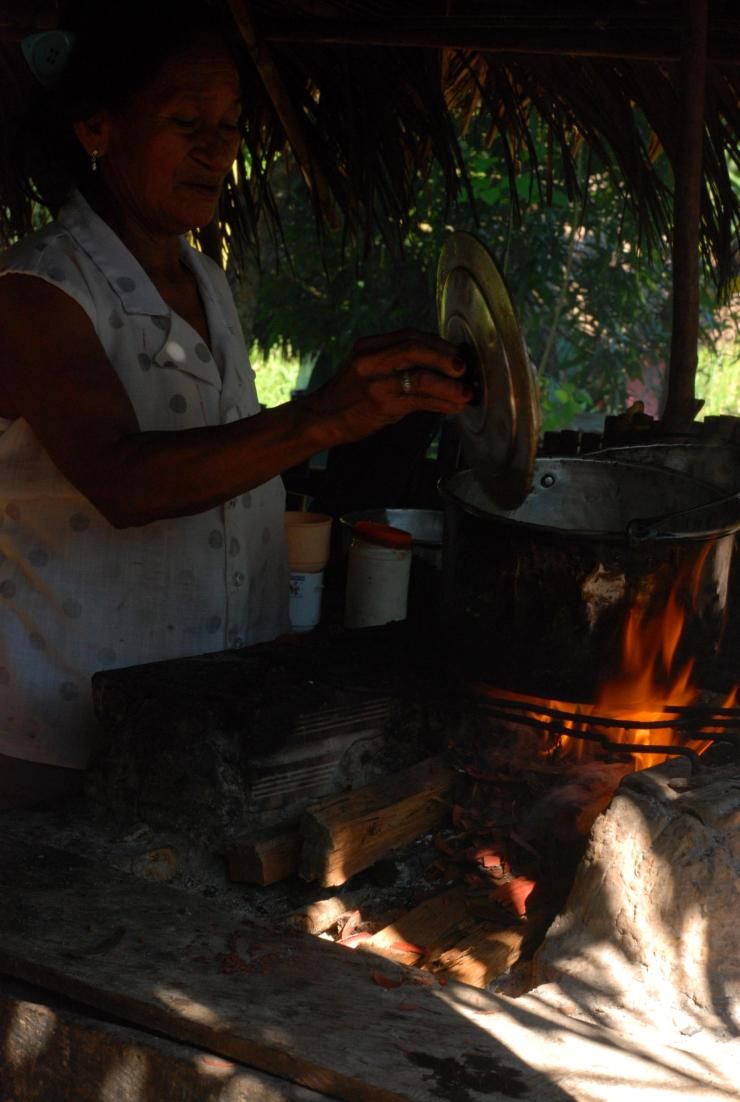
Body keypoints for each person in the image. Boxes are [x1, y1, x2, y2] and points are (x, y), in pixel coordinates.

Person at [0, 2, 470, 808]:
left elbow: (227, 475)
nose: (218, 149)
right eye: (187, 120)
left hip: (205, 719)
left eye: (231, 123)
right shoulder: (38, 291)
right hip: (62, 729)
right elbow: (123, 481)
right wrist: (320, 419)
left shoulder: (204, 281)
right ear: (97, 128)